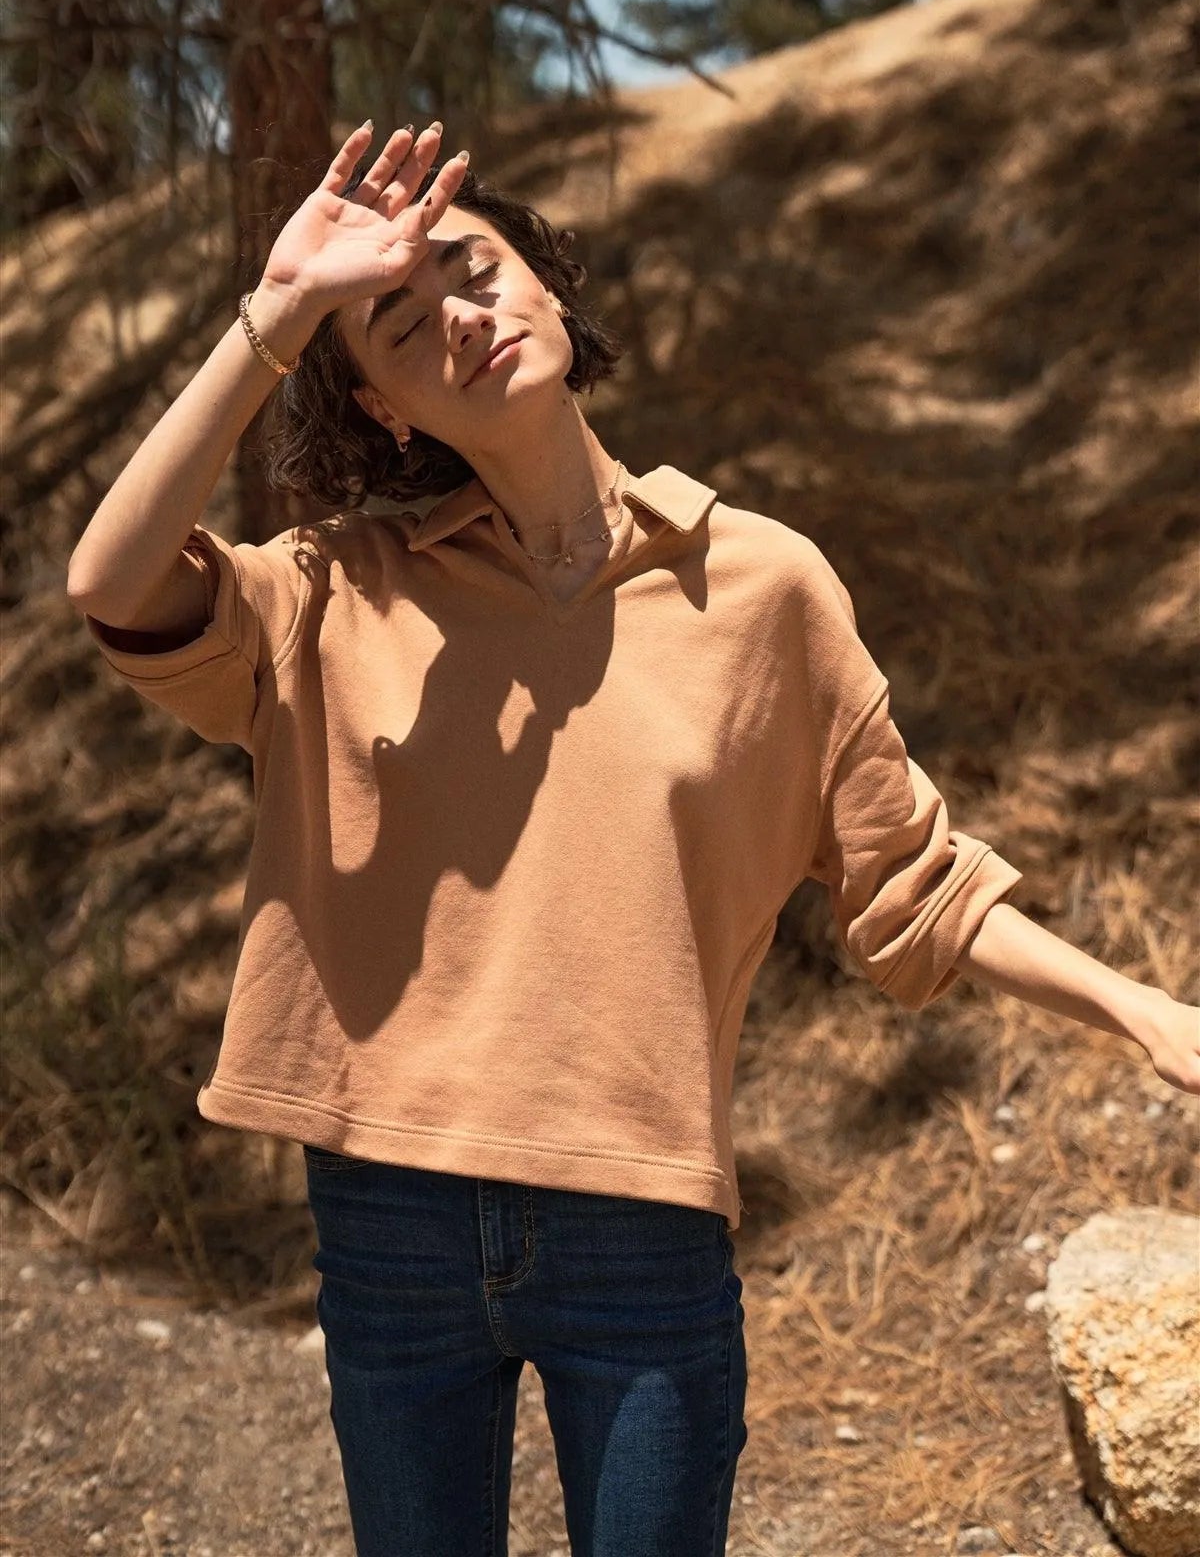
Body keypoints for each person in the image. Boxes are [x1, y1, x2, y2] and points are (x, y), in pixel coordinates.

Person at [67, 119, 1200, 1557]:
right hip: (390, 1216)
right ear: (387, 412)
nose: (457, 318)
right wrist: (279, 313)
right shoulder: (332, 597)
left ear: (547, 284)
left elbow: (919, 884)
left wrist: (1148, 1014)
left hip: (641, 1224)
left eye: (476, 272)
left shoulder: (766, 589)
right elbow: (110, 584)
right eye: (400, 328)